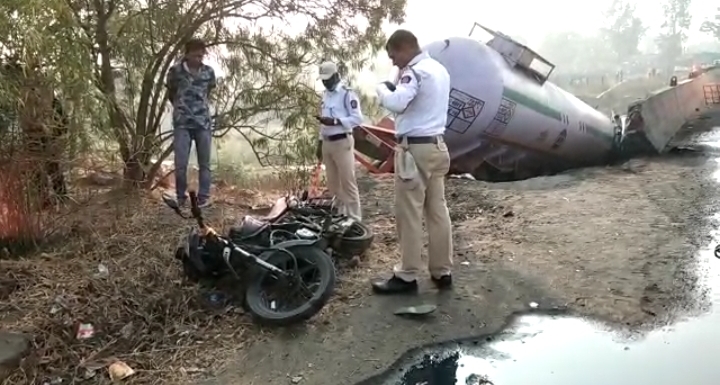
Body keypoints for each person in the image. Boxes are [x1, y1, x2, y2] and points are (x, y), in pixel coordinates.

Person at [372, 29, 453, 294]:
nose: (393, 61)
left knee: (409, 213)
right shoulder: (440, 70)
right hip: (437, 146)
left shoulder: (414, 71)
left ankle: (407, 275)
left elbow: (397, 102)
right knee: (437, 211)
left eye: (393, 54)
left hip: (415, 150)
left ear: (404, 48)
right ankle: (442, 271)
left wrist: (383, 88)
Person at [166, 38, 216, 207]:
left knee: (205, 164)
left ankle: (204, 198)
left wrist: (198, 109)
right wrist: (182, 108)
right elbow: (171, 93)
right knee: (181, 163)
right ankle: (180, 197)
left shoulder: (209, 72)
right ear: (186, 54)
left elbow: (207, 92)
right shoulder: (175, 71)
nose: (198, 59)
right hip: (182, 124)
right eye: (195, 55)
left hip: (203, 124)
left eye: (201, 56)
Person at [315, 61, 363, 220]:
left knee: (348, 182)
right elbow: (323, 122)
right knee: (333, 184)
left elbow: (357, 118)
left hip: (342, 141)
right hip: (327, 142)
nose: (325, 82)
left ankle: (355, 219)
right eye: (323, 80)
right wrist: (320, 142)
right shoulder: (325, 95)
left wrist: (336, 121)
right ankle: (341, 217)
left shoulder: (347, 94)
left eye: (327, 79)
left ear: (336, 75)